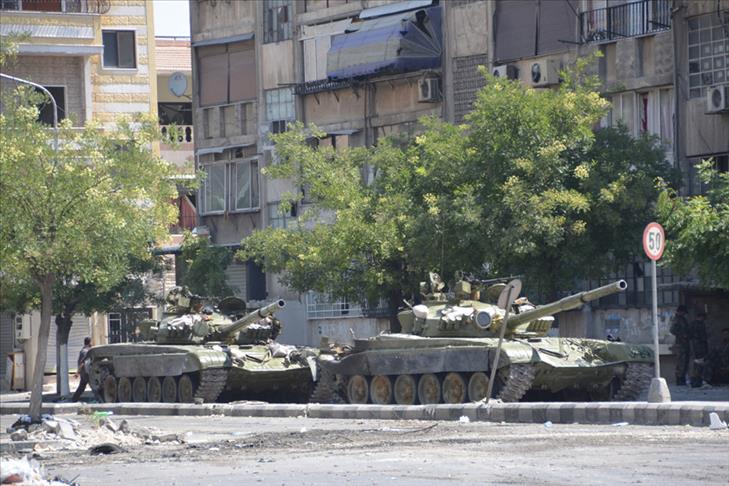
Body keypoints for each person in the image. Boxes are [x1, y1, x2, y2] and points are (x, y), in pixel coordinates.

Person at [669, 305, 690, 386]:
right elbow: (672, 330)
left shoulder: (683, 319)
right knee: (681, 362)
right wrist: (681, 334)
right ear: (680, 311)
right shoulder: (676, 319)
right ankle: (679, 379)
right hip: (680, 344)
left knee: (685, 362)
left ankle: (683, 378)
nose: (684, 314)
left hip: (685, 343)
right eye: (683, 312)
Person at [688, 312, 710, 387]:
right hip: (699, 348)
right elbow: (702, 337)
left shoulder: (693, 324)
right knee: (699, 365)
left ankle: (695, 381)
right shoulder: (699, 325)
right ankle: (696, 381)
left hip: (696, 347)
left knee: (697, 365)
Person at [71, 337, 93, 402]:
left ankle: (74, 399)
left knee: (82, 386)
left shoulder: (85, 350)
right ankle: (100, 400)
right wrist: (77, 372)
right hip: (86, 372)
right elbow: (82, 363)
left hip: (84, 372)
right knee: (94, 386)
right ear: (89, 342)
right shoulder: (85, 351)